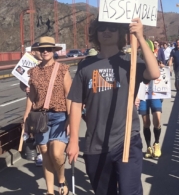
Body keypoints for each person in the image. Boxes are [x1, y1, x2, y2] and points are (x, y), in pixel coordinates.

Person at [66, 17, 160, 195]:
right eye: (102, 28)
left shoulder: (130, 62)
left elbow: (154, 72)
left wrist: (140, 36)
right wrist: (73, 142)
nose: (107, 31)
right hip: (95, 145)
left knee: (129, 191)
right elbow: (76, 104)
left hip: (126, 141)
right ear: (95, 33)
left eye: (112, 28)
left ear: (121, 34)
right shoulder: (85, 65)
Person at [23, 36, 72, 195]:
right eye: (42, 49)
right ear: (38, 51)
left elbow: (69, 96)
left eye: (48, 49)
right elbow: (31, 97)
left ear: (53, 51)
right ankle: (50, 191)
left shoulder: (63, 69)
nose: (45, 51)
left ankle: (62, 180)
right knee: (45, 153)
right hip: (39, 117)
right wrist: (26, 116)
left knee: (56, 153)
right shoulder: (33, 71)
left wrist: (70, 119)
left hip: (59, 116)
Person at [20, 42, 44, 166]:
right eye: (37, 50)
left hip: (46, 101)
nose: (40, 52)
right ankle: (40, 154)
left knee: (46, 127)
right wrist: (25, 89)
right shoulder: (27, 65)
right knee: (36, 128)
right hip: (33, 101)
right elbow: (22, 84)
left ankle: (48, 151)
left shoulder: (48, 62)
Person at [135, 61, 165, 159]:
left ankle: (156, 143)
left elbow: (165, 77)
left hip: (155, 95)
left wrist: (163, 69)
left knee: (157, 121)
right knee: (146, 122)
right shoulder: (139, 64)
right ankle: (148, 147)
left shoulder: (156, 63)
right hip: (143, 95)